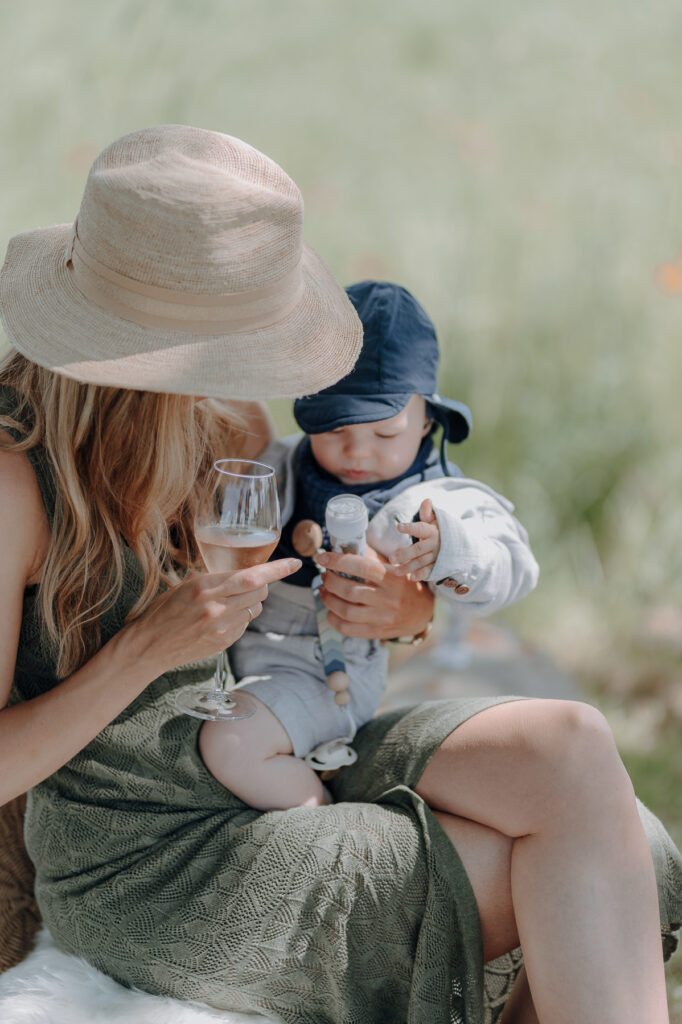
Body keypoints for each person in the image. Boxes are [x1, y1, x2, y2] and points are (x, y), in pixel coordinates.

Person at [0, 125, 679, 1024]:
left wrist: (398, 611)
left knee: (575, 751)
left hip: (282, 750)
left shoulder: (226, 426)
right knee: (602, 860)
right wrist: (141, 650)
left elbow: (302, 588)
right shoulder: (18, 475)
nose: (252, 371)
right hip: (154, 863)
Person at [200, 280, 540, 810]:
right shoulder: (285, 463)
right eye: (333, 428)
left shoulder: (437, 497)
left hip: (326, 672)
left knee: (231, 744)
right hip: (248, 655)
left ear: (427, 417)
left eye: (384, 434)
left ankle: (323, 817)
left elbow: (516, 565)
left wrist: (451, 550)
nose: (356, 451)